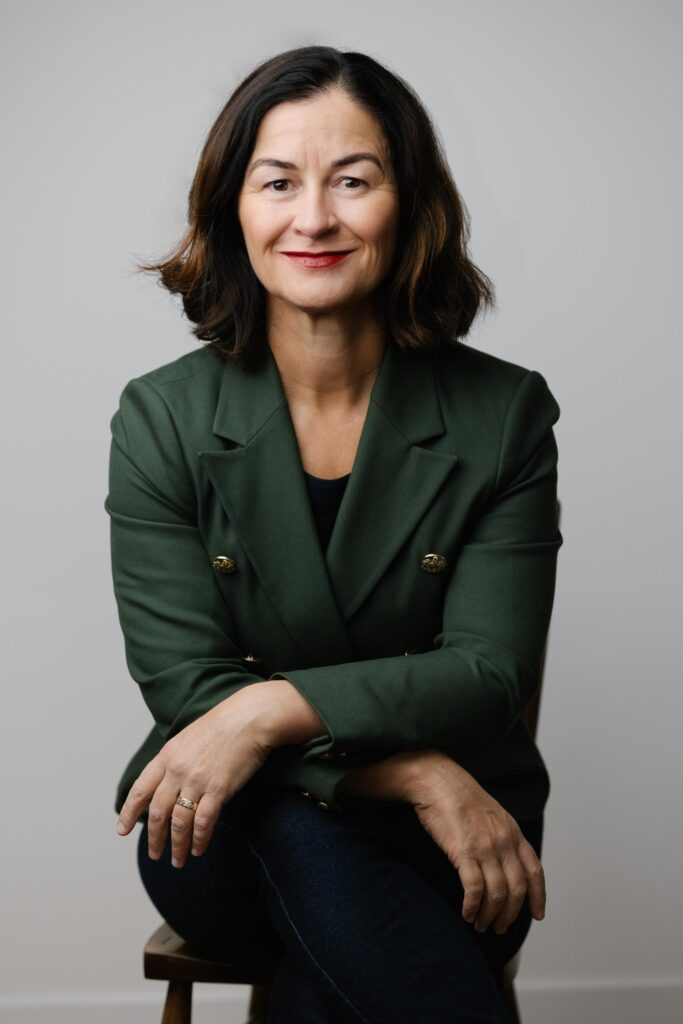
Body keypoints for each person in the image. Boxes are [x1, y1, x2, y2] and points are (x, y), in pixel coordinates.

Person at [104, 44, 562, 1024]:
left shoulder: (503, 413)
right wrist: (411, 769)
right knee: (296, 835)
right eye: (278, 182)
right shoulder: (160, 418)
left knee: (342, 957)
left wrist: (264, 711)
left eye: (352, 180)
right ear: (235, 205)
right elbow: (190, 689)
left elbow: (486, 673)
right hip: (219, 823)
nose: (313, 217)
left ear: (410, 205)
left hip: (453, 841)